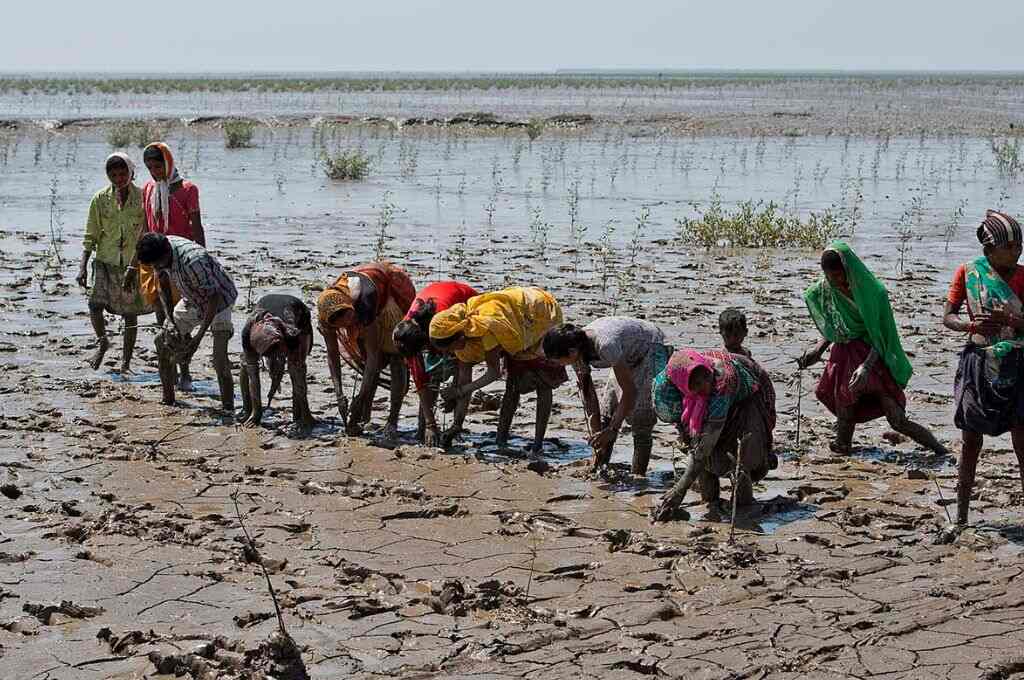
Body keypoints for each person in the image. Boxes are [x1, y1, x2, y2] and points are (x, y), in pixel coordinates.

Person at [797, 241, 947, 456]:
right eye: (831, 277)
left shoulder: (874, 293)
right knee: (845, 408)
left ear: (849, 271)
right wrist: (818, 351)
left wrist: (866, 367)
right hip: (844, 354)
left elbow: (881, 336)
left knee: (896, 418)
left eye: (840, 276)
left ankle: (940, 450)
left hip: (874, 354)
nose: (836, 282)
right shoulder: (825, 290)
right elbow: (835, 327)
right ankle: (842, 447)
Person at [943, 210, 1024, 526]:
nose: (1017, 251)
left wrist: (1013, 321)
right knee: (970, 443)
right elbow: (947, 315)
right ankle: (961, 517)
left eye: (1019, 245)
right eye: (1010, 246)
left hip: (1017, 366)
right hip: (978, 365)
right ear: (989, 250)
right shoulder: (968, 272)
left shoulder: (1023, 277)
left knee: (1022, 445)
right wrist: (968, 325)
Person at [429, 286, 566, 453]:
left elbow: (493, 373)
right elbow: (465, 379)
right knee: (513, 383)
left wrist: (458, 391)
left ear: (459, 337)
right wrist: (456, 425)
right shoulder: (460, 339)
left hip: (537, 313)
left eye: (449, 348)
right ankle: (501, 439)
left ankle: (537, 444)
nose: (450, 354)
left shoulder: (487, 328)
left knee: (544, 382)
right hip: (514, 321)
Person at [651, 349, 777, 521]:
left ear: (708, 370)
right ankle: (710, 500)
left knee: (738, 458)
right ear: (684, 388)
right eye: (696, 383)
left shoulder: (722, 381)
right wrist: (687, 435)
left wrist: (680, 489)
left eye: (705, 377)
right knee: (702, 456)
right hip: (712, 402)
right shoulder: (674, 382)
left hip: (748, 398)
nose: (704, 384)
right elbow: (683, 422)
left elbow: (705, 446)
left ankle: (743, 507)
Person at [542, 318, 672, 475]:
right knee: (607, 412)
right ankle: (600, 465)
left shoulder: (605, 345)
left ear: (571, 352)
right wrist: (596, 428)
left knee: (640, 419)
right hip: (624, 356)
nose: (560, 365)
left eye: (559, 361)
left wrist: (614, 429)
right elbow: (587, 391)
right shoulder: (576, 350)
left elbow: (630, 392)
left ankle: (638, 475)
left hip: (648, 348)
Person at [135, 233, 236, 412]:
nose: (157, 267)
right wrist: (171, 321)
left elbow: (214, 298)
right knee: (162, 341)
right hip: (192, 298)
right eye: (154, 265)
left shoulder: (193, 260)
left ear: (166, 253)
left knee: (219, 358)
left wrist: (197, 338)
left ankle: (228, 409)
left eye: (158, 264)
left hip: (220, 300)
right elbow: (162, 285)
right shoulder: (159, 253)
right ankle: (168, 400)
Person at [317, 262, 416, 442]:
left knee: (395, 355)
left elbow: (373, 355)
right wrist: (339, 394)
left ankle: (392, 422)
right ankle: (364, 417)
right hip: (363, 306)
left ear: (350, 308)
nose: (348, 324)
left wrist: (360, 397)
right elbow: (332, 355)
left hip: (389, 296)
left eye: (350, 318)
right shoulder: (326, 315)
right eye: (343, 324)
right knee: (368, 363)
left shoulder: (365, 301)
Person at [76, 152, 151, 373]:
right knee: (95, 305)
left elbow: (146, 231)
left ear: (131, 172)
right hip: (105, 260)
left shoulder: (143, 198)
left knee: (130, 313)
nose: (119, 179)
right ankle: (103, 341)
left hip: (132, 261)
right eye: (114, 175)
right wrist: (82, 266)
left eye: (122, 173)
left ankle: (126, 362)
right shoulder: (100, 199)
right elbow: (91, 235)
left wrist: (137, 264)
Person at [140, 142, 205, 391]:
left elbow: (196, 225)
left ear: (168, 163)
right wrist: (137, 264)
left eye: (158, 166)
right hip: (156, 261)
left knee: (181, 317)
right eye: (150, 167)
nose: (155, 172)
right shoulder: (148, 189)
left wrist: (201, 255)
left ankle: (185, 370)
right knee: (162, 317)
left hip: (181, 261)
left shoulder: (187, 189)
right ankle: (170, 370)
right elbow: (146, 225)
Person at [393, 280, 479, 447]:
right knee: (427, 376)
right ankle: (424, 427)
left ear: (426, 342)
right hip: (437, 302)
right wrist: (430, 425)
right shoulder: (405, 333)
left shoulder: (442, 324)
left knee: (462, 367)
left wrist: (455, 391)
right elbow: (420, 382)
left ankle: (456, 428)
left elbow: (463, 364)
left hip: (466, 304)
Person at [239, 294, 315, 434]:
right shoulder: (248, 335)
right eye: (270, 355)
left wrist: (306, 412)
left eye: (278, 353)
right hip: (264, 308)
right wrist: (257, 413)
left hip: (296, 313)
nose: (277, 357)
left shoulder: (292, 334)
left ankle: (301, 413)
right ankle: (248, 408)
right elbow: (253, 377)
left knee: (297, 367)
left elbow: (298, 374)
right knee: (246, 367)